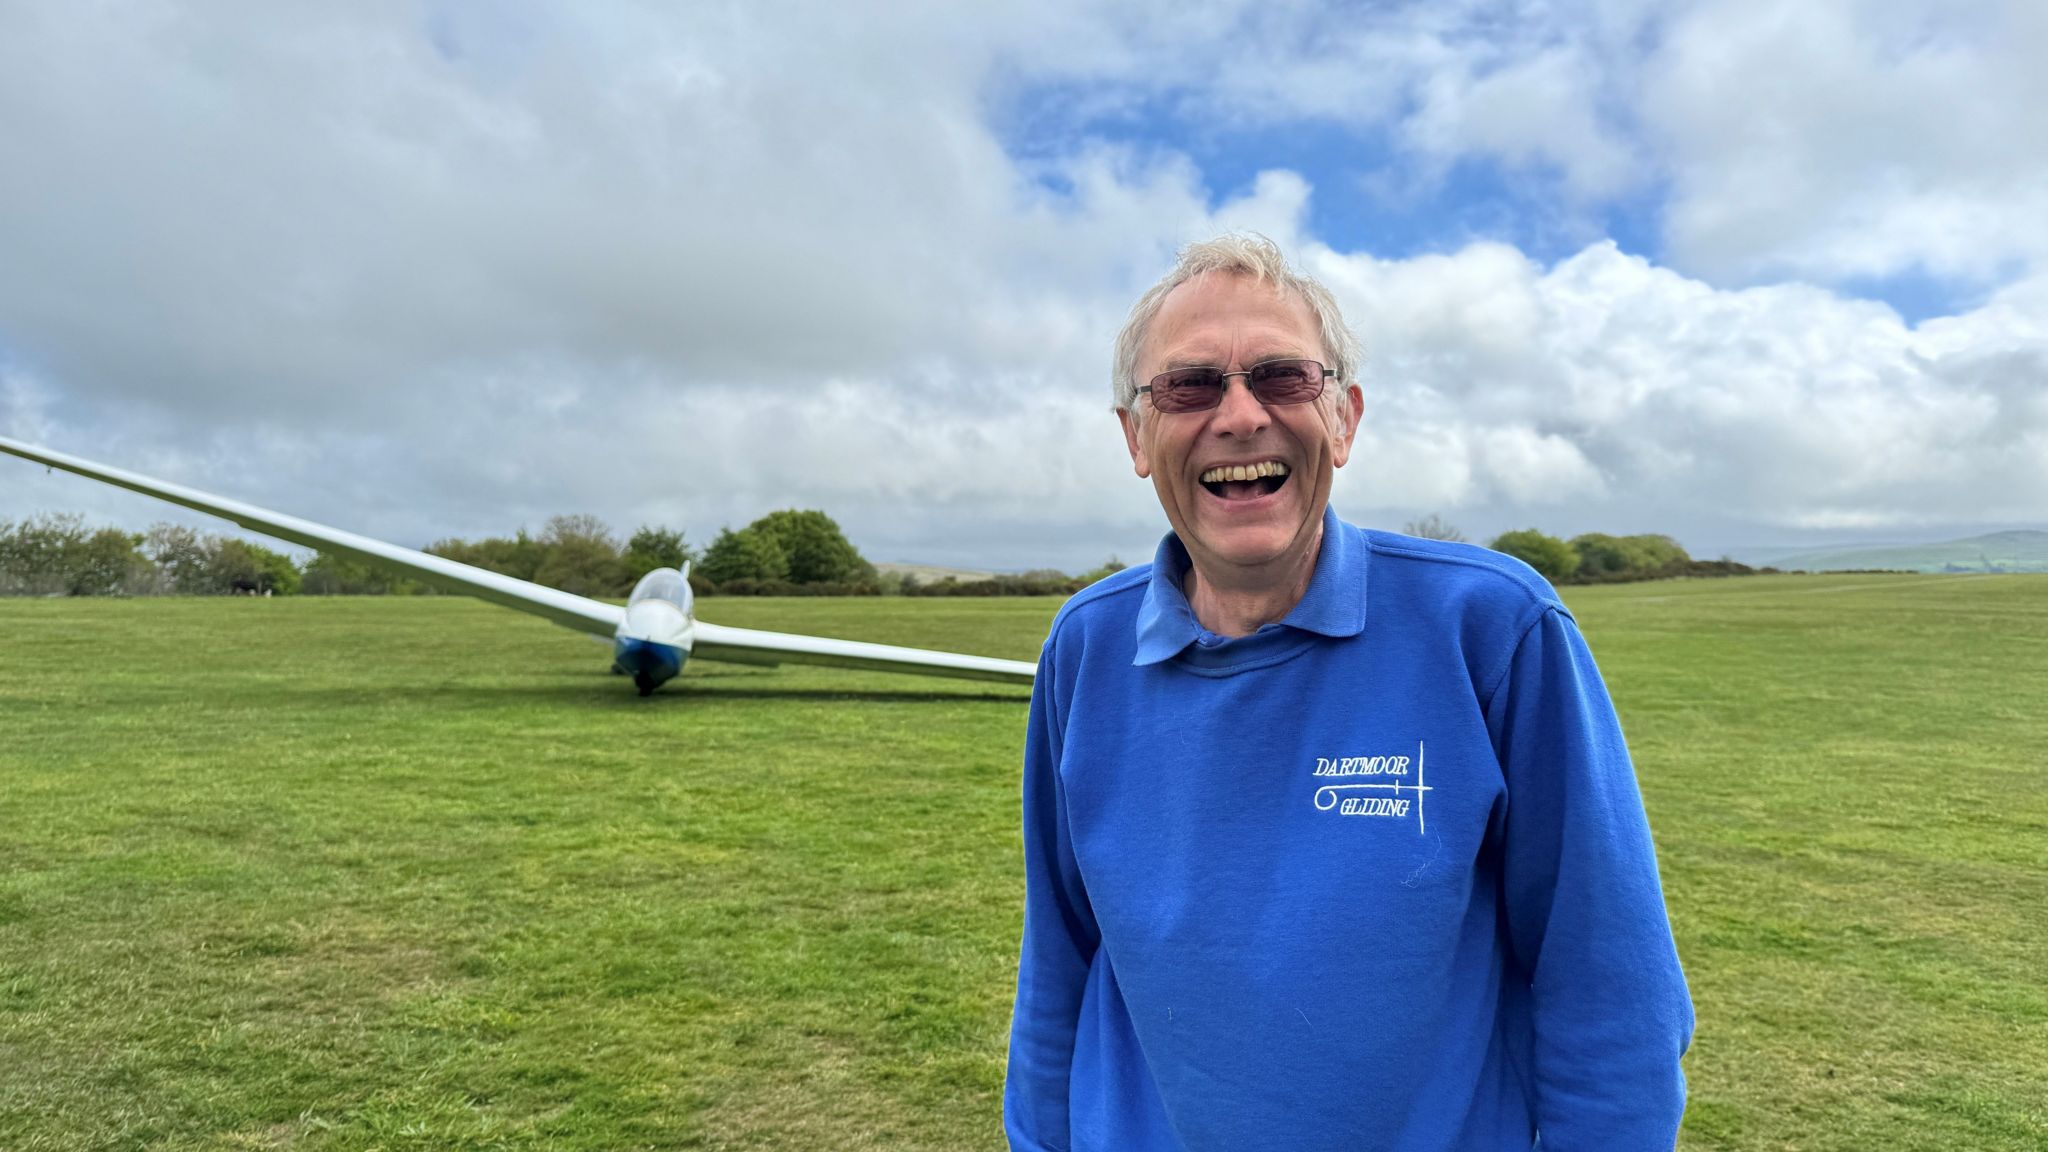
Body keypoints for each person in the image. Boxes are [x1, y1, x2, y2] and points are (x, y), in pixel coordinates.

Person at [1003, 235, 1693, 1151]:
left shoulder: (1494, 626)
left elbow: (1609, 992)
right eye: (1190, 385)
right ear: (1135, 433)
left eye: (1282, 377)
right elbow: (1060, 963)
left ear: (1344, 418)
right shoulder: (1085, 647)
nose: (1240, 415)